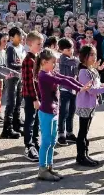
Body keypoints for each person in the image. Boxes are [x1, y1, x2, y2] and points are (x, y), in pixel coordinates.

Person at [35, 49, 90, 181]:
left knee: (53, 141)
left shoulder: (50, 72)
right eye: (53, 62)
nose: (55, 65)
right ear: (44, 62)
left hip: (53, 112)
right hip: (46, 112)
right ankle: (42, 169)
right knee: (46, 142)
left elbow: (67, 78)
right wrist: (79, 89)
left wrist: (80, 85)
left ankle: (49, 167)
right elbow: (63, 82)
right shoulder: (44, 75)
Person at [75, 45, 104, 167]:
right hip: (84, 104)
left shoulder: (93, 70)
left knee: (85, 131)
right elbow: (92, 90)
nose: (94, 57)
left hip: (91, 104)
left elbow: (99, 85)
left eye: (95, 54)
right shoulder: (83, 71)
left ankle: (84, 155)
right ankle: (81, 156)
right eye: (91, 54)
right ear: (84, 56)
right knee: (83, 131)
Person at [21, 31, 44, 162]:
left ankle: (35, 142)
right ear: (30, 44)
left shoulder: (36, 58)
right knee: (30, 120)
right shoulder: (28, 60)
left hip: (38, 95)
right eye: (38, 44)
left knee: (36, 121)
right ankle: (28, 146)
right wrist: (35, 98)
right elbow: (29, 81)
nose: (41, 46)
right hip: (31, 96)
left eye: (41, 44)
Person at [3, 27, 26, 139]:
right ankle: (7, 128)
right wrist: (23, 65)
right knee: (11, 102)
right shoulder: (10, 48)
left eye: (21, 35)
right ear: (12, 38)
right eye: (19, 35)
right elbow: (10, 64)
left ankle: (16, 124)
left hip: (20, 77)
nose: (21, 37)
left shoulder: (21, 47)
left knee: (18, 101)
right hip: (12, 77)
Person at [57, 38, 79, 146]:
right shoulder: (63, 58)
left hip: (73, 89)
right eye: (69, 49)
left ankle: (69, 132)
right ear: (62, 50)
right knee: (63, 112)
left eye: (72, 48)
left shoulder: (72, 59)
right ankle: (61, 134)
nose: (71, 50)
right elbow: (75, 61)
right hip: (64, 89)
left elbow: (76, 71)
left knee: (71, 112)